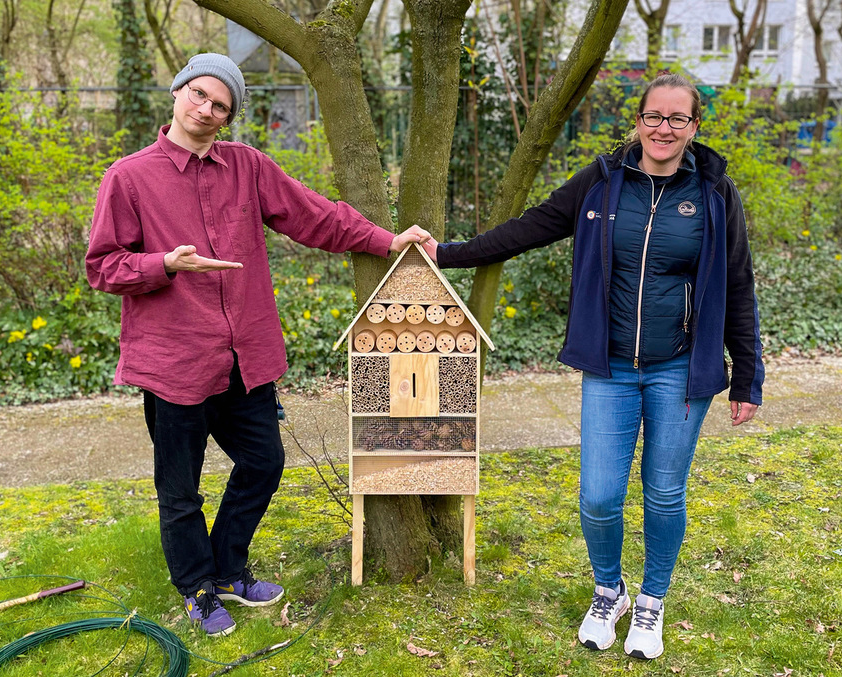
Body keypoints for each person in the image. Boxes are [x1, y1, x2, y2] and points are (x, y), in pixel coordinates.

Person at [86, 53, 430, 638]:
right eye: (199, 95)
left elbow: (312, 216)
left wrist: (386, 238)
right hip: (174, 362)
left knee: (264, 463)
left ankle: (226, 569)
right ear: (177, 94)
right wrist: (163, 263)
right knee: (180, 488)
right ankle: (196, 588)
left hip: (246, 356)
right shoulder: (129, 177)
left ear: (228, 118)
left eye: (221, 106)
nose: (207, 109)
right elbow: (103, 266)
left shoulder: (246, 166)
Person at [422, 73, 763, 660]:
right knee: (600, 496)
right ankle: (611, 590)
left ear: (694, 127)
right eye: (653, 116)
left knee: (662, 493)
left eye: (677, 118)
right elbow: (531, 226)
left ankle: (652, 601)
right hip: (608, 368)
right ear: (637, 120)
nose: (663, 128)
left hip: (680, 370)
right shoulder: (602, 183)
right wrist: (445, 255)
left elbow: (738, 283)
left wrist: (748, 374)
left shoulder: (713, 191)